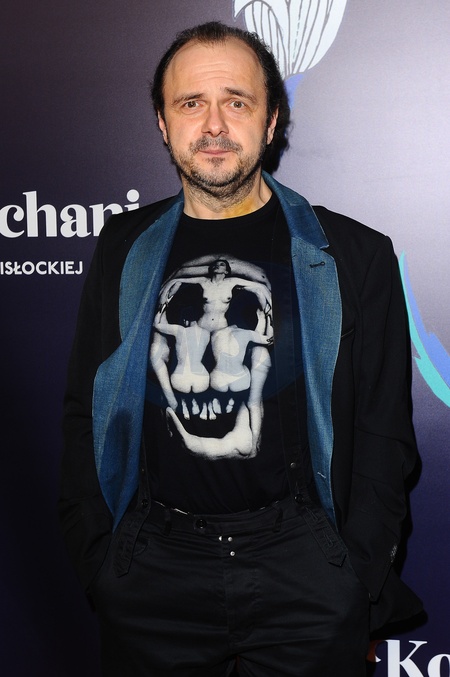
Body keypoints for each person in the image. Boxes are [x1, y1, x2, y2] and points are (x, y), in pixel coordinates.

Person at [59, 20, 422, 677]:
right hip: (152, 572)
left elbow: (383, 433)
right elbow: (86, 409)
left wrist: (355, 577)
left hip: (305, 570)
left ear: (272, 119)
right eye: (190, 103)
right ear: (163, 124)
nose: (214, 125)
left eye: (237, 101)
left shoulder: (354, 255)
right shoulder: (122, 246)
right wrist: (101, 562)